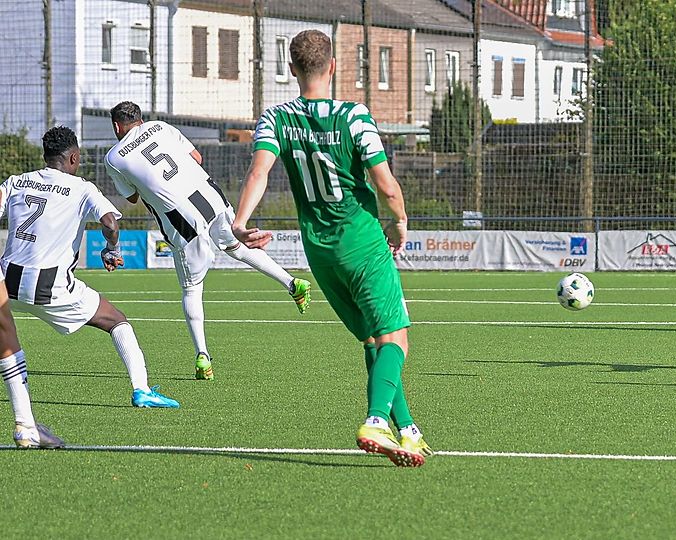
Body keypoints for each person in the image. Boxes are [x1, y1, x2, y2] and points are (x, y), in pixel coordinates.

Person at [232, 29, 431, 467]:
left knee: (373, 339)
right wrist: (399, 221)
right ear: (334, 67)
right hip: (362, 242)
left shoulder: (276, 118)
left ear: (291, 69)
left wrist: (240, 223)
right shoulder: (354, 116)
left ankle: (408, 429)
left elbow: (258, 173)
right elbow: (386, 185)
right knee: (396, 338)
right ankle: (376, 420)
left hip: (319, 251)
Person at [104, 101, 312, 380]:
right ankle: (292, 283)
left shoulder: (114, 157)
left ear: (117, 126)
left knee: (191, 288)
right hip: (209, 195)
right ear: (140, 119)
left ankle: (202, 355)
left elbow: (131, 197)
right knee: (236, 246)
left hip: (180, 215)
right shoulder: (160, 127)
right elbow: (197, 158)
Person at [1, 125, 179, 412]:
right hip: (49, 286)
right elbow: (110, 223)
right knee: (116, 320)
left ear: (46, 156)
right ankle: (142, 390)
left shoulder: (17, 181)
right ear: (74, 158)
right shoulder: (82, 188)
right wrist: (112, 250)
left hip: (6, 282)